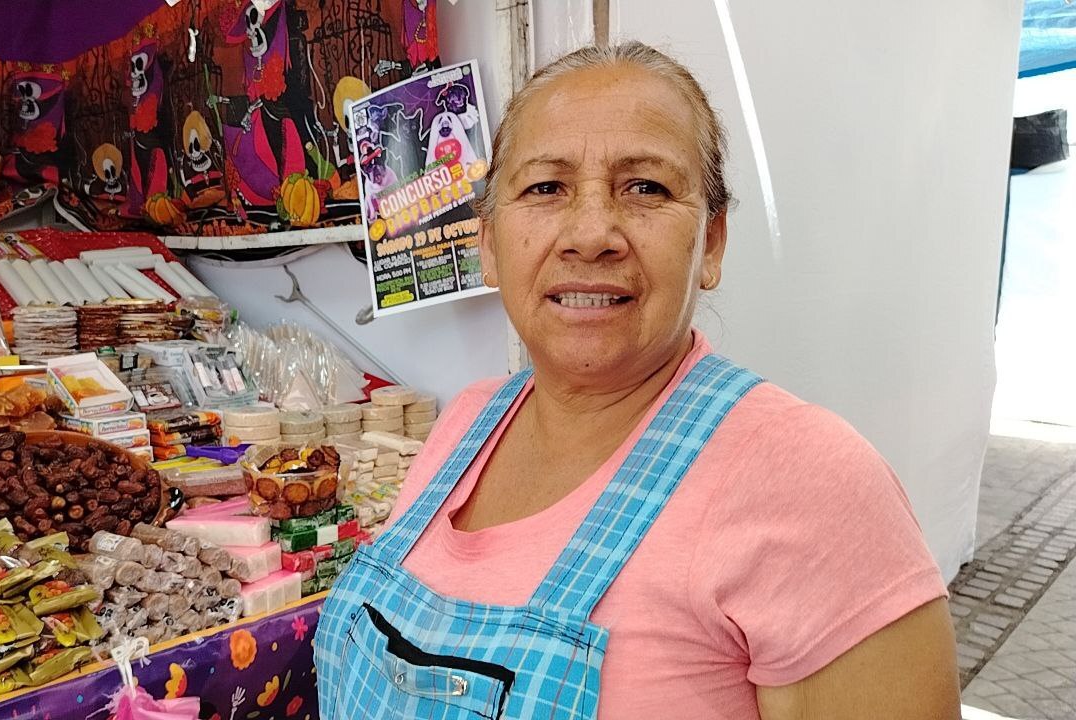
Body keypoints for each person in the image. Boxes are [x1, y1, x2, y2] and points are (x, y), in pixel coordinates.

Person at [316, 41, 961, 719]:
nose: (591, 234)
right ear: (488, 245)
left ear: (711, 244)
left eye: (646, 187)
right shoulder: (464, 424)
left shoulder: (810, 481)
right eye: (545, 187)